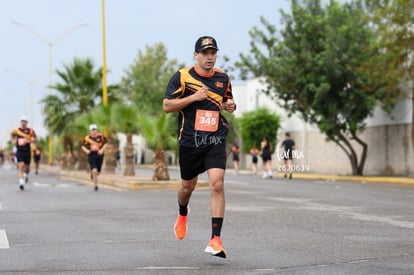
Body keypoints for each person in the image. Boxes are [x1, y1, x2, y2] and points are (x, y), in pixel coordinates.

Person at [163, 36, 236, 258]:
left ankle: (215, 240)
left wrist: (230, 105)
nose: (209, 57)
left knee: (217, 184)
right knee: (187, 187)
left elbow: (225, 101)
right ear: (196, 55)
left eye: (213, 52)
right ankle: (183, 212)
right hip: (190, 141)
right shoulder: (183, 76)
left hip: (215, 139)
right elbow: (167, 106)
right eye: (205, 53)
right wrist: (194, 97)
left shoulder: (223, 78)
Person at [11, 116, 37, 190]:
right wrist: (13, 140)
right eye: (22, 121)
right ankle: (21, 183)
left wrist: (30, 140)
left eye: (24, 121)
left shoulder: (30, 130)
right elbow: (12, 136)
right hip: (19, 150)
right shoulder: (16, 130)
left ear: (27, 122)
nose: (23, 122)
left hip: (27, 150)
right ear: (20, 122)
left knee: (27, 168)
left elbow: (35, 139)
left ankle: (26, 175)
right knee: (20, 166)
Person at [81, 124, 107, 191]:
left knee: (97, 172)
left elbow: (106, 144)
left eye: (95, 129)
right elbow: (83, 146)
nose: (94, 131)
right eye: (92, 130)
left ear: (96, 130)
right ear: (90, 131)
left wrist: (101, 150)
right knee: (94, 170)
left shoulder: (100, 136)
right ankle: (95, 186)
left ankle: (93, 174)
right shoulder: (87, 138)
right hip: (92, 154)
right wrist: (87, 151)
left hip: (99, 154)